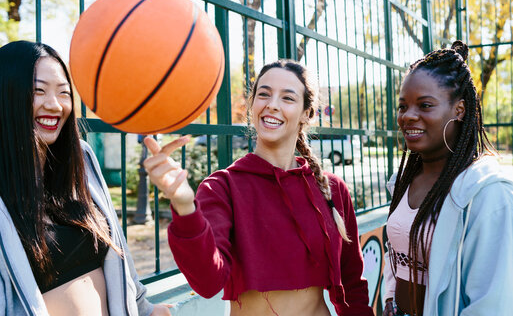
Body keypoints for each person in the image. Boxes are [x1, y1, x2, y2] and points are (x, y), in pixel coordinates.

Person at [144, 60, 374, 315]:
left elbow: (353, 284)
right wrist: (185, 206)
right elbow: (207, 283)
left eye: (288, 98)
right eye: (263, 94)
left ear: (307, 113)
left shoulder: (332, 189)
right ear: (252, 105)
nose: (272, 104)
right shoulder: (222, 187)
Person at [0, 40, 171, 316]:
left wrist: (144, 308)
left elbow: (117, 248)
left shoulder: (82, 159)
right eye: (38, 91)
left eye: (64, 93)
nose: (54, 105)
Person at [383, 41, 513, 316]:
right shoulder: (402, 181)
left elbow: (490, 303)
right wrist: (388, 300)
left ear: (459, 110)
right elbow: (396, 250)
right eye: (403, 106)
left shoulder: (485, 192)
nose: (408, 116)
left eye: (425, 105)